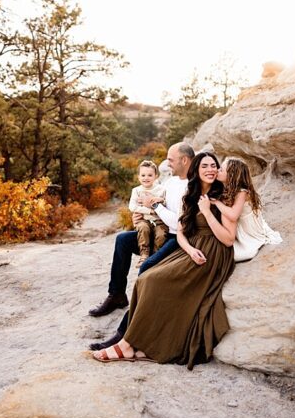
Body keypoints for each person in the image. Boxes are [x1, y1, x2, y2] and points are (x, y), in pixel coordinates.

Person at [94, 150, 242, 368]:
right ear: (196, 171)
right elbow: (182, 231)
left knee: (153, 279)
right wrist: (190, 250)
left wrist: (208, 212)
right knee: (145, 277)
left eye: (214, 166)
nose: (210, 170)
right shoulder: (189, 194)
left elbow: (228, 240)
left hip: (213, 251)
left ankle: (126, 343)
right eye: (205, 166)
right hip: (190, 247)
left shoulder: (223, 196)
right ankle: (129, 335)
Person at [89, 139, 195, 334]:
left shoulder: (191, 186)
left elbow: (178, 223)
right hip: (157, 229)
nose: (167, 163)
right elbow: (155, 202)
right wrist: (142, 212)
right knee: (123, 240)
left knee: (146, 266)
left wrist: (154, 207)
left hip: (175, 239)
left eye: (171, 159)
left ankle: (131, 325)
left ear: (185, 160)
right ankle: (117, 295)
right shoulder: (171, 181)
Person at [128, 161, 169, 257]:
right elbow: (132, 207)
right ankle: (144, 254)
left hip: (159, 221)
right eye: (143, 175)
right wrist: (150, 211)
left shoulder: (161, 190)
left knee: (161, 235)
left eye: (150, 175)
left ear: (156, 176)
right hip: (143, 220)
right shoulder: (136, 190)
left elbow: (167, 203)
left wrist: (161, 200)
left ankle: (155, 255)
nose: (146, 178)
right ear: (138, 177)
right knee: (143, 228)